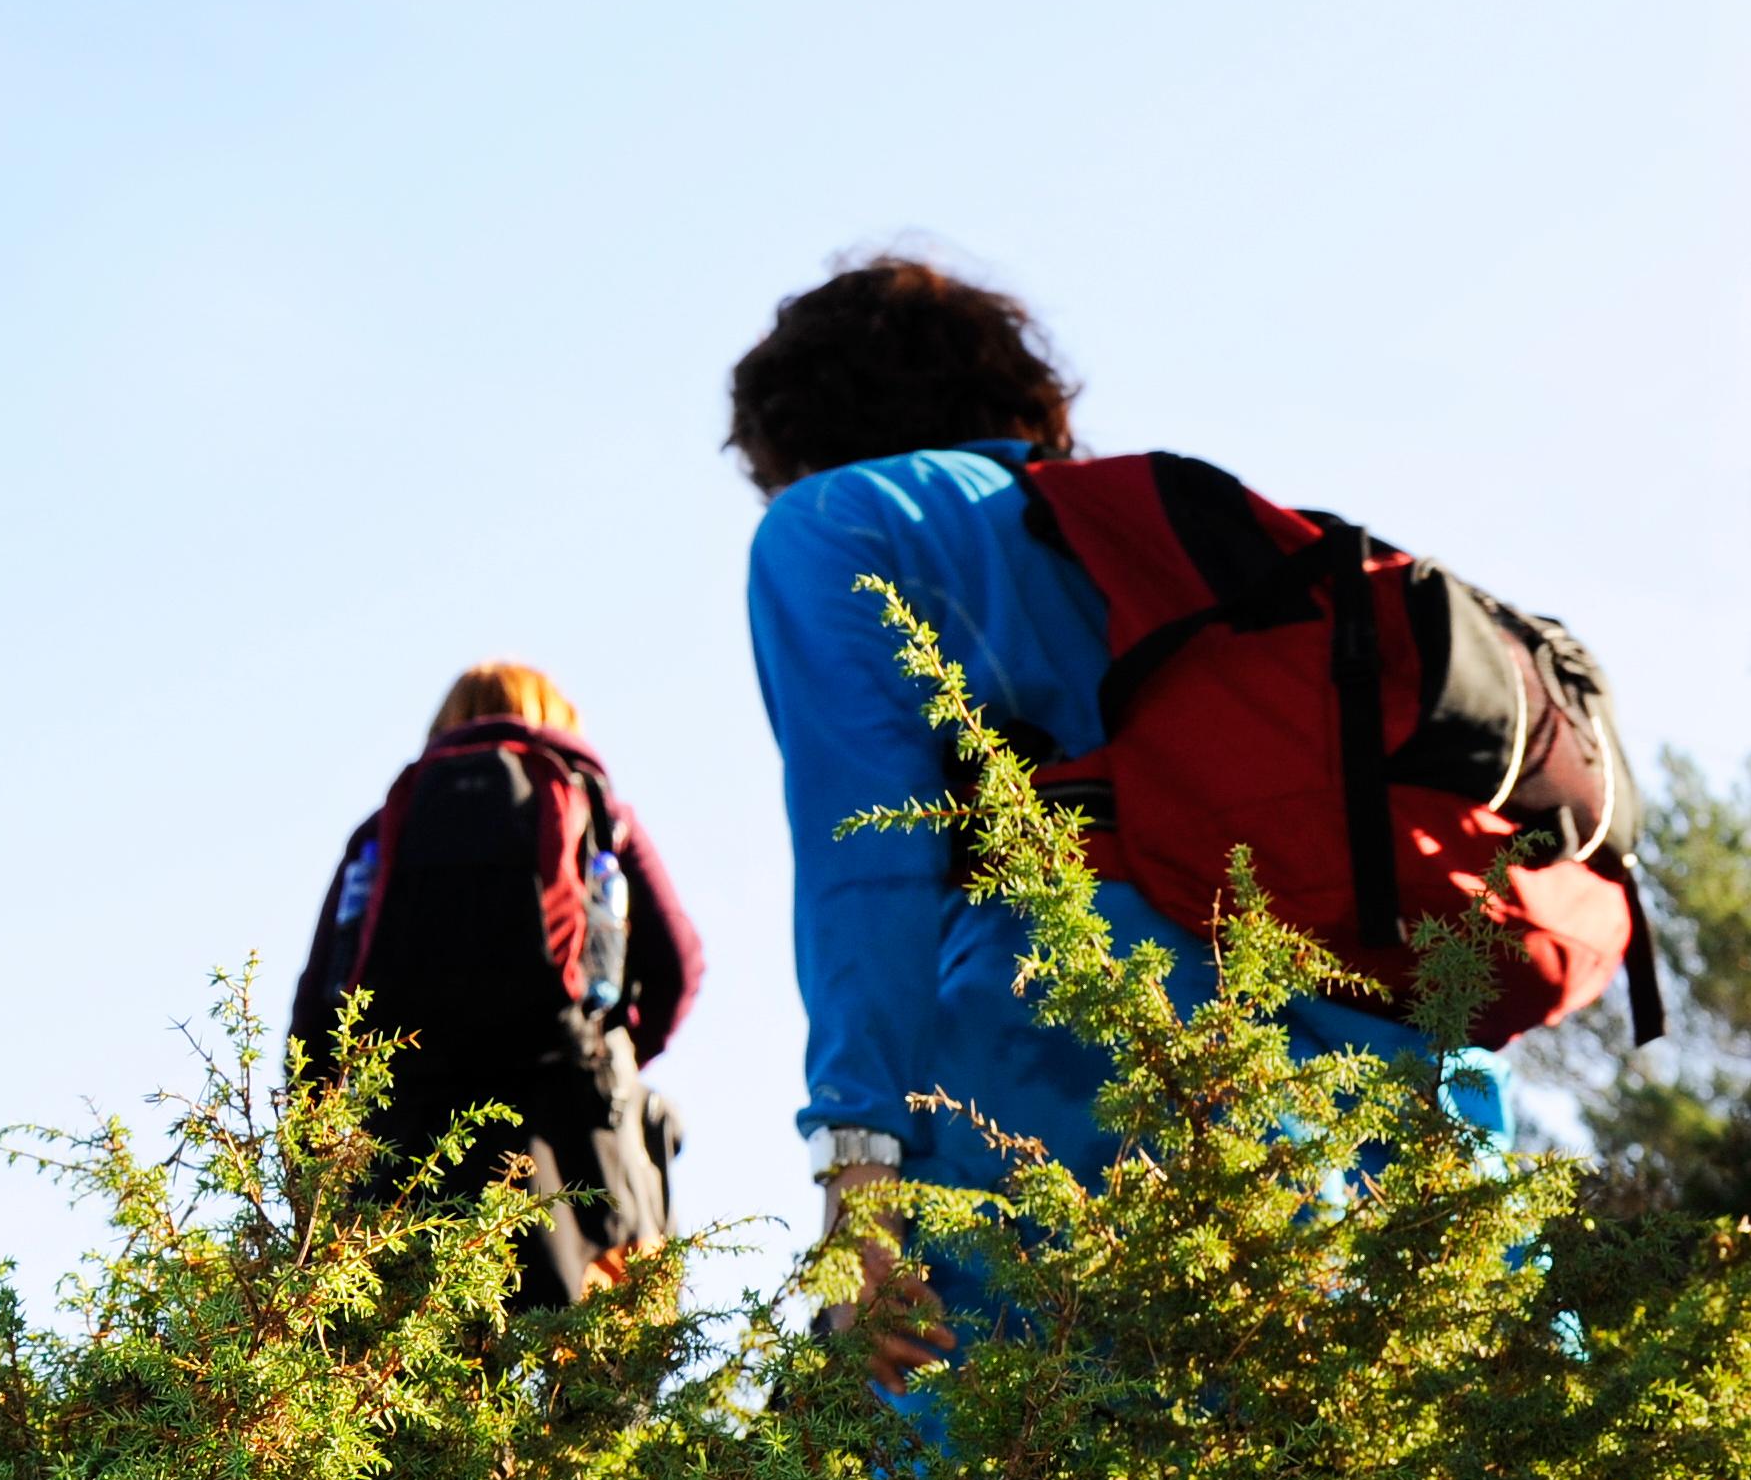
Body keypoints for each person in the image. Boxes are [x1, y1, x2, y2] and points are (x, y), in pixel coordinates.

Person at [728, 254, 1625, 1387]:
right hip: (1390, 1065)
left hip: (1074, 1057)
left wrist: (861, 1178)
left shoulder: (842, 521)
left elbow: (868, 863)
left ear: (796, 439)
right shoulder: (1168, 553)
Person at [291, 661, 704, 1302]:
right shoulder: (598, 810)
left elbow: (318, 1017)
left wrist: (322, 1156)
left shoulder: (382, 833)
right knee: (589, 1374)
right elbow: (678, 965)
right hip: (572, 1134)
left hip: (410, 1141)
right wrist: (610, 1050)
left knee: (410, 1363)